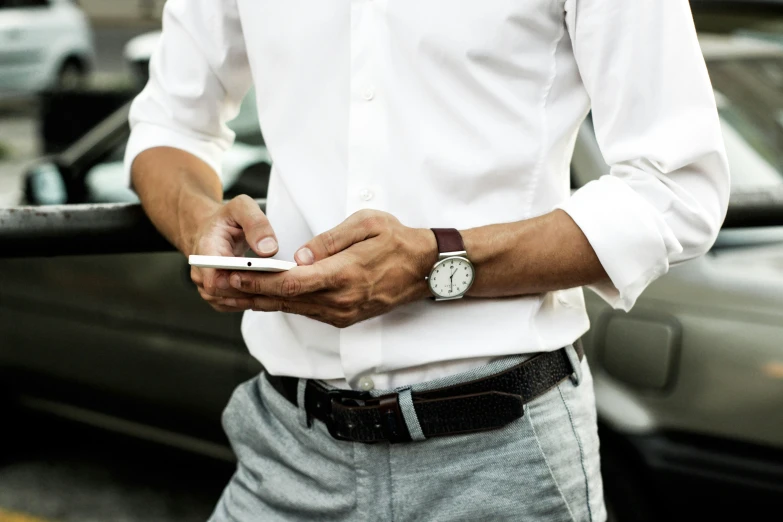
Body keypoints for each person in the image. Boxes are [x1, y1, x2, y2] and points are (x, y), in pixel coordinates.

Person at [126, 0, 729, 520]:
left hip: (503, 458)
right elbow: (169, 125)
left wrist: (434, 265)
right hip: (286, 450)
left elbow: (677, 187)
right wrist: (198, 222)